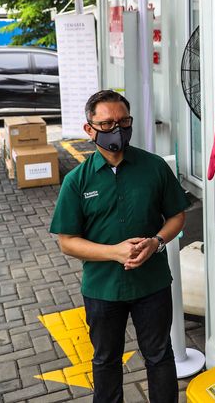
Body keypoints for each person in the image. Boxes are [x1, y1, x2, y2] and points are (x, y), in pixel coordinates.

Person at [50, 90, 190, 403]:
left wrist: (156, 242)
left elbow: (177, 216)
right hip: (102, 289)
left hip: (151, 284)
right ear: (89, 129)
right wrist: (114, 252)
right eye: (108, 123)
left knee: (159, 356)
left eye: (124, 121)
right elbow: (67, 242)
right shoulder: (77, 181)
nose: (117, 129)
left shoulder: (153, 167)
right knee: (105, 360)